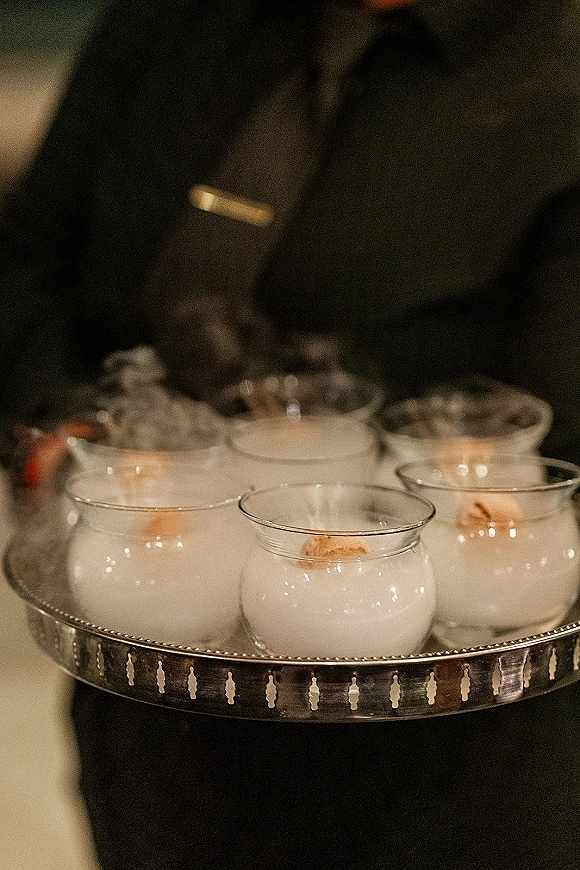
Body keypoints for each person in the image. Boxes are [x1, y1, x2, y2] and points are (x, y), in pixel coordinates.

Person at [2, 0, 580, 867]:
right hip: (160, 676)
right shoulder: (167, 24)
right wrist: (63, 442)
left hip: (448, 737)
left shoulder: (554, 68)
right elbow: (29, 256)